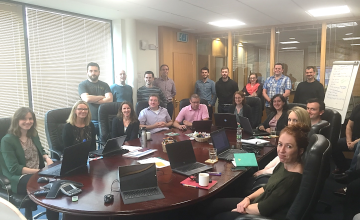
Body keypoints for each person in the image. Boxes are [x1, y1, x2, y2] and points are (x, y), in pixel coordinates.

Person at [206, 124, 310, 220]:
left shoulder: (292, 179)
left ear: (300, 151)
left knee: (220, 217)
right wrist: (247, 198)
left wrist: (239, 209)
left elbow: (264, 209)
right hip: (258, 202)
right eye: (280, 144)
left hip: (263, 212)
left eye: (289, 146)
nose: (281, 150)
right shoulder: (285, 163)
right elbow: (267, 187)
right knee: (215, 204)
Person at [0, 107, 59, 220]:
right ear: (17, 120)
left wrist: (47, 158)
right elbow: (14, 169)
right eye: (23, 119)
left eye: (30, 118)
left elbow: (41, 150)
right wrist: (40, 172)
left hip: (38, 171)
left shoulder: (33, 134)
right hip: (19, 177)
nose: (28, 122)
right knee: (51, 188)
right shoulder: (7, 140)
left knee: (61, 179)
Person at [254, 106, 311, 176]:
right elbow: (279, 158)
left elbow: (284, 166)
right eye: (289, 120)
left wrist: (263, 172)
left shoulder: (301, 140)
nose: (291, 123)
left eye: (295, 120)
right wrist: (265, 169)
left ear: (303, 122)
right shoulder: (291, 135)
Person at [78, 62, 113, 135]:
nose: (93, 73)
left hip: (104, 119)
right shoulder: (82, 85)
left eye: (95, 71)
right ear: (87, 72)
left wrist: (93, 99)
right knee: (91, 143)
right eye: (91, 71)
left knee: (104, 142)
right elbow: (87, 99)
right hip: (89, 120)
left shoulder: (105, 85)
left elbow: (110, 99)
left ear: (99, 72)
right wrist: (102, 97)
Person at [333, 103, 360, 174]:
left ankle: (351, 173)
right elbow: (349, 126)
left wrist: (354, 143)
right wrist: (349, 141)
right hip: (353, 138)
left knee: (358, 147)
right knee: (334, 144)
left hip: (358, 141)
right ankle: (343, 168)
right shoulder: (357, 107)